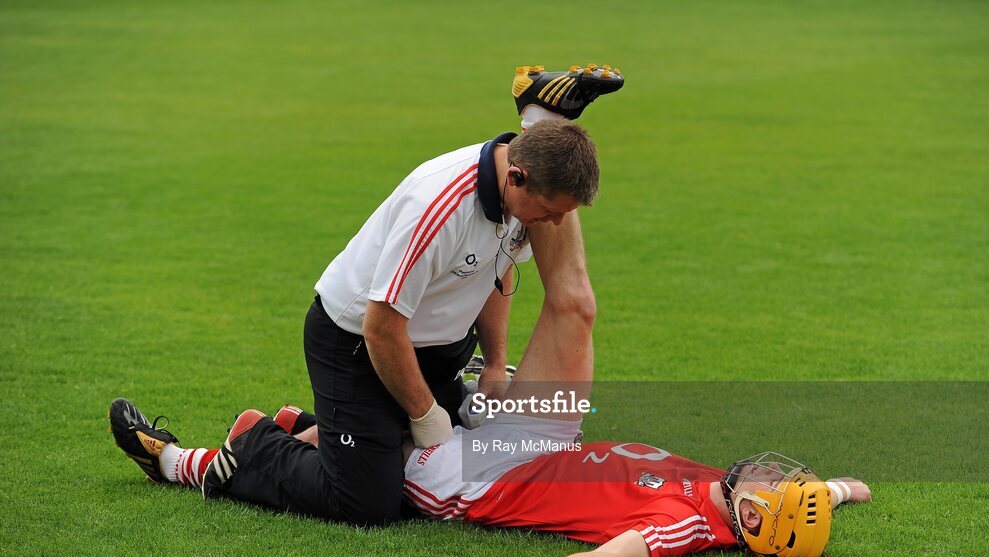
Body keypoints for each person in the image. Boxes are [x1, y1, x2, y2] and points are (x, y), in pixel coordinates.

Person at [109, 131, 870, 557]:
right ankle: (314, 429)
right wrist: (836, 491)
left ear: (754, 523)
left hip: (481, 476)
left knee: (368, 499)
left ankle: (219, 456)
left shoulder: (690, 522)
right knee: (573, 306)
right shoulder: (727, 493)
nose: (773, 475)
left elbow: (617, 554)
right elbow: (383, 323)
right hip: (521, 425)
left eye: (779, 490)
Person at [109, 65, 624, 528]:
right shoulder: (439, 205)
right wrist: (425, 415)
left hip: (432, 350)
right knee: (368, 503)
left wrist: (495, 364)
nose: (555, 225)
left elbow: (494, 273)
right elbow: (381, 326)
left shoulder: (520, 198)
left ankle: (314, 430)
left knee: (422, 458)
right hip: (357, 346)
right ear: (515, 175)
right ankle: (252, 442)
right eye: (551, 211)